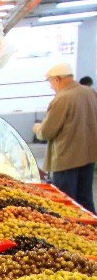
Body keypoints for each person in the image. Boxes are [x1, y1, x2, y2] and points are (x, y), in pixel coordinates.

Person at [33, 63, 97, 213]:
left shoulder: (62, 98)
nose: (51, 87)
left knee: (66, 203)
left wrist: (38, 129)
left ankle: (74, 234)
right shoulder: (90, 92)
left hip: (66, 159)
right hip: (88, 157)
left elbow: (48, 131)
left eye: (50, 82)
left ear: (57, 79)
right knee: (85, 199)